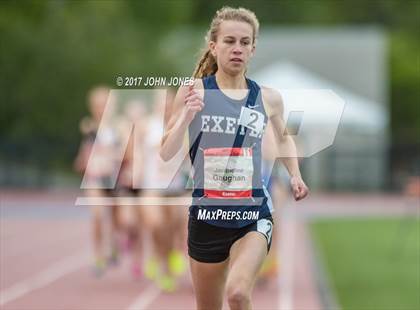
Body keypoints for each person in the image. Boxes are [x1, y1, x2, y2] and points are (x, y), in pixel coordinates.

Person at [160, 7, 309, 309]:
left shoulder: (267, 97)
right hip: (207, 216)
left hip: (252, 213)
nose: (237, 48)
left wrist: (295, 173)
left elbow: (283, 139)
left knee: (238, 293)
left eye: (244, 42)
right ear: (214, 47)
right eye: (229, 41)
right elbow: (166, 152)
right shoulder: (193, 91)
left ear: (253, 48)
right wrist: (188, 114)